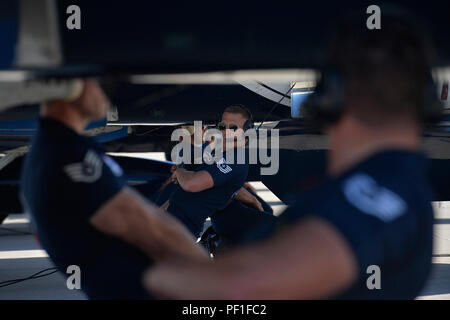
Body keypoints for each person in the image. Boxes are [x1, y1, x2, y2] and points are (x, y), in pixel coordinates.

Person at [144, 11, 441, 299]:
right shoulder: (393, 188)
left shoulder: (372, 196)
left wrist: (148, 261)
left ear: (329, 99)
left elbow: (240, 287)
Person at [20, 80, 208, 300]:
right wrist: (211, 276)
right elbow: (148, 227)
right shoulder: (69, 155)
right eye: (101, 83)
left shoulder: (49, 150)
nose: (108, 93)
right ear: (71, 86)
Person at [164, 105, 253, 238]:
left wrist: (180, 173)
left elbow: (191, 184)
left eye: (233, 128)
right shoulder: (213, 149)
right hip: (168, 219)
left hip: (180, 229)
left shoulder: (235, 160)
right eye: (222, 126)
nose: (225, 131)